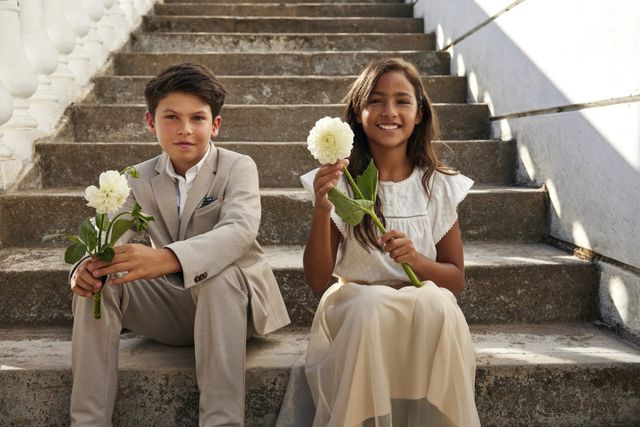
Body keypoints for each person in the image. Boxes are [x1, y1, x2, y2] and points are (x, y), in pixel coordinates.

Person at [68, 62, 290, 426]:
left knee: (217, 277)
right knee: (98, 277)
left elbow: (239, 230)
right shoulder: (135, 178)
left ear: (215, 125)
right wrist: (84, 267)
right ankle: (88, 421)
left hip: (233, 305)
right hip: (173, 309)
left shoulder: (238, 167)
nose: (185, 130)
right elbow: (106, 232)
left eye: (197, 118)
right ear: (150, 122)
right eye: (171, 117)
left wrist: (166, 258)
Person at [276, 58, 480, 426]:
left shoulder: (436, 185)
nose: (389, 111)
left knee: (438, 301)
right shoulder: (342, 184)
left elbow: (456, 279)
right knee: (370, 303)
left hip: (419, 312)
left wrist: (417, 260)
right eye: (376, 100)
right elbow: (316, 279)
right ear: (358, 111)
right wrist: (322, 210)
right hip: (358, 308)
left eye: (402, 101)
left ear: (419, 114)